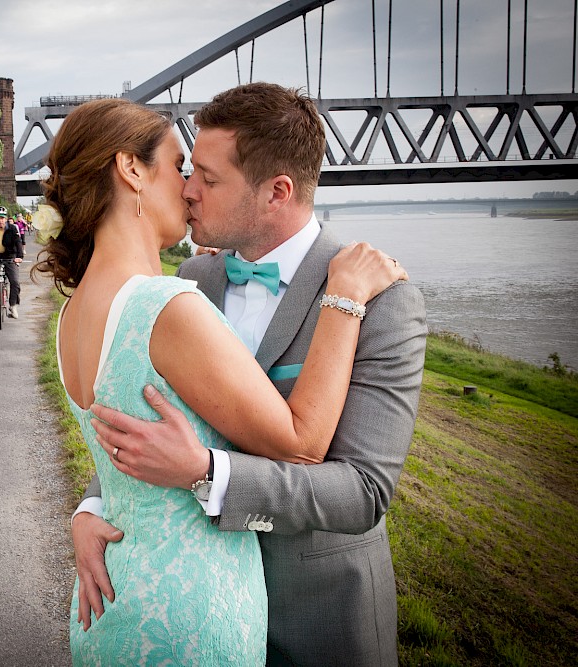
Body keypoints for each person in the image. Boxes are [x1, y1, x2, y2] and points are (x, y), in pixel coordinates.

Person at [68, 85, 428, 666]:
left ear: (276, 192)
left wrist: (208, 474)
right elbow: (143, 414)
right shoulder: (190, 280)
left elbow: (363, 491)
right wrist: (92, 508)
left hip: (318, 619)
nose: (187, 190)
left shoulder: (380, 301)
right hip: (196, 610)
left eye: (207, 179)